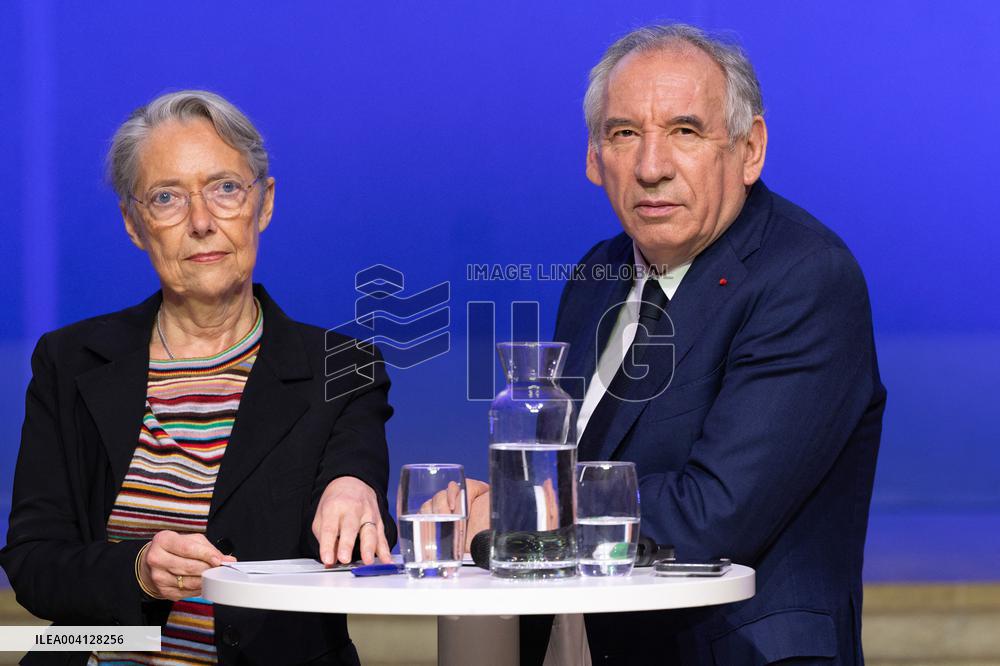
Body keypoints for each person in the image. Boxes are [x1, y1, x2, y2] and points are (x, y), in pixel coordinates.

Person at [523, 24, 886, 665]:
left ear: (750, 149)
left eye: (685, 132)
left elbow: (714, 514)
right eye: (624, 133)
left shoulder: (805, 277)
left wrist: (523, 510)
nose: (652, 166)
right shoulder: (594, 277)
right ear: (592, 158)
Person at [1, 90, 395, 666]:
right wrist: (136, 571)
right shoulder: (70, 361)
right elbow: (34, 564)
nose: (202, 222)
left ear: (264, 204)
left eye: (226, 189)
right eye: (167, 198)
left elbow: (351, 509)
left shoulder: (344, 366)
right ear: (135, 224)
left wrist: (355, 486)